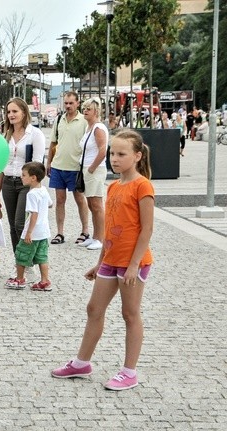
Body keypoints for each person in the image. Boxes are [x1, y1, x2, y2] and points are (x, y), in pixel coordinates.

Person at [51, 129, 154, 391]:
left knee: (130, 313)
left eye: (121, 154)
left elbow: (146, 230)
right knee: (94, 309)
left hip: (133, 262)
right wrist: (100, 262)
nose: (114, 159)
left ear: (137, 156)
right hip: (111, 259)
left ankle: (129, 372)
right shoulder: (114, 186)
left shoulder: (142, 185)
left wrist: (134, 265)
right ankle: (81, 362)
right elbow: (109, 229)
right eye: (112, 153)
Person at [0, 97, 46, 254]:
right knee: (12, 225)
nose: (11, 114)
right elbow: (0, 166)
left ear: (24, 112)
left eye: (14, 111)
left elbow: (38, 164)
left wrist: (34, 189)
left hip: (26, 184)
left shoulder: (35, 134)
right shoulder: (5, 136)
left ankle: (27, 257)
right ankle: (19, 260)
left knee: (20, 223)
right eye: (8, 112)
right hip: (8, 183)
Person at [47, 91, 89, 246]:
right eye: (66, 103)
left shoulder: (84, 121)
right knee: (60, 200)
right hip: (58, 166)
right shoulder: (59, 119)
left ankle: (85, 231)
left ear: (78, 103)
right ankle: (60, 232)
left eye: (71, 103)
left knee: (80, 199)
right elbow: (53, 142)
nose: (68, 106)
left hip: (76, 167)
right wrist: (49, 163)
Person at [4, 162, 53, 291]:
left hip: (33, 232)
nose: (21, 177)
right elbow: (50, 204)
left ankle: (19, 279)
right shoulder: (43, 190)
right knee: (42, 256)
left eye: (24, 175)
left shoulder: (31, 194)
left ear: (33, 178)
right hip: (43, 231)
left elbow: (34, 214)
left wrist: (29, 232)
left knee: (21, 254)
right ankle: (45, 281)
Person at [77, 98, 109, 252]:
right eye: (84, 108)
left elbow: (103, 150)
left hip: (94, 169)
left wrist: (92, 168)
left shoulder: (98, 128)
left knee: (96, 205)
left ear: (96, 111)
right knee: (91, 203)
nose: (85, 111)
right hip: (87, 168)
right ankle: (96, 236)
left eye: (88, 109)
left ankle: (100, 238)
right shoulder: (88, 127)